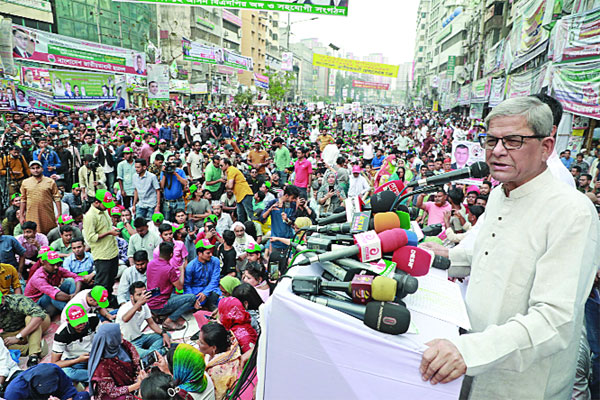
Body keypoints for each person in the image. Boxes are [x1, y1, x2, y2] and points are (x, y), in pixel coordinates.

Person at [419, 97, 598, 398]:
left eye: (513, 141)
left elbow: (554, 321)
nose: (498, 151)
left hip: (522, 385)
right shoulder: (501, 193)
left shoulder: (572, 212)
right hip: (471, 364)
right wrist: (437, 256)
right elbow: (484, 257)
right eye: (491, 140)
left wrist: (469, 352)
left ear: (546, 147)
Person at [88, 323, 146, 400]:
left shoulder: (123, 344)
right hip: (113, 394)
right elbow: (112, 392)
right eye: (119, 333)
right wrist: (137, 385)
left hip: (133, 379)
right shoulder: (101, 366)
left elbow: (136, 360)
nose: (122, 334)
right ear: (111, 339)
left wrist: (139, 372)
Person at [146, 242, 197, 331]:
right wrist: (182, 270)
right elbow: (180, 287)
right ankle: (169, 321)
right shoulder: (169, 269)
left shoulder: (150, 264)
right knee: (191, 298)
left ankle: (157, 315)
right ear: (171, 255)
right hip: (161, 304)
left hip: (150, 302)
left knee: (177, 296)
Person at [83, 189, 120, 307]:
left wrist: (112, 230)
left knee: (111, 279)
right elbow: (91, 238)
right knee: (101, 282)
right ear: (97, 202)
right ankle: (98, 305)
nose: (107, 207)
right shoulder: (90, 216)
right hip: (102, 255)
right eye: (105, 204)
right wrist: (109, 233)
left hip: (112, 251)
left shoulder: (103, 211)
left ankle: (108, 298)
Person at [116, 281, 170, 358]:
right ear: (132, 297)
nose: (143, 297)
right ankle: (158, 352)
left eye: (144, 294)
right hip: (128, 342)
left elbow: (151, 323)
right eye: (139, 295)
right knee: (142, 355)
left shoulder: (144, 306)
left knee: (167, 336)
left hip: (141, 337)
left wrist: (163, 333)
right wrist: (139, 303)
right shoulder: (125, 308)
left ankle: (152, 353)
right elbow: (125, 319)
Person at [51, 304, 99, 384]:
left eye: (84, 322)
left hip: (95, 353)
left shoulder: (93, 319)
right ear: (68, 321)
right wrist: (78, 360)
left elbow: (103, 337)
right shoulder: (61, 334)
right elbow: (55, 363)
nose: (82, 325)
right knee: (66, 372)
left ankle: (89, 377)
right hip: (75, 360)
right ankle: (98, 376)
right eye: (78, 323)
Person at [0, 291, 50, 367]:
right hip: (13, 331)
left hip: (37, 324)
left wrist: (18, 337)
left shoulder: (17, 300)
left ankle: (33, 355)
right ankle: (31, 349)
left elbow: (38, 316)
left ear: (3, 298)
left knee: (30, 318)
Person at [196, 322, 242, 400]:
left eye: (201, 342)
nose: (197, 343)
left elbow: (218, 396)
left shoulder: (217, 372)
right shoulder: (229, 345)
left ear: (213, 348)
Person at [4, 363, 90, 400]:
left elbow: (68, 391)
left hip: (58, 397)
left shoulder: (54, 370)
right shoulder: (14, 392)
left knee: (83, 396)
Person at [19, 160, 61, 235]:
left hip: (47, 212)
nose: (36, 170)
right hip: (31, 213)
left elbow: (57, 197)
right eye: (33, 168)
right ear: (30, 170)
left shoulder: (50, 181)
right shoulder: (25, 182)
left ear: (42, 168)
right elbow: (23, 199)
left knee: (50, 232)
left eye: (38, 168)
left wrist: (59, 213)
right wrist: (21, 215)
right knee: (33, 232)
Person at [184, 239, 221, 311]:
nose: (211, 255)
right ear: (199, 253)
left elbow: (215, 280)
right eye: (208, 253)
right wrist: (193, 299)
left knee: (216, 296)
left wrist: (205, 293)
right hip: (195, 291)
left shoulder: (215, 261)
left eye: (211, 252)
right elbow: (187, 285)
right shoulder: (191, 266)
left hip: (210, 289)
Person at [220, 157, 253, 223]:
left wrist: (226, 183)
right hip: (239, 196)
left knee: (250, 215)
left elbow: (230, 186)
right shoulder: (229, 171)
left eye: (221, 165)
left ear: (227, 164)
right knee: (240, 216)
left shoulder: (231, 170)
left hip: (245, 193)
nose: (220, 167)